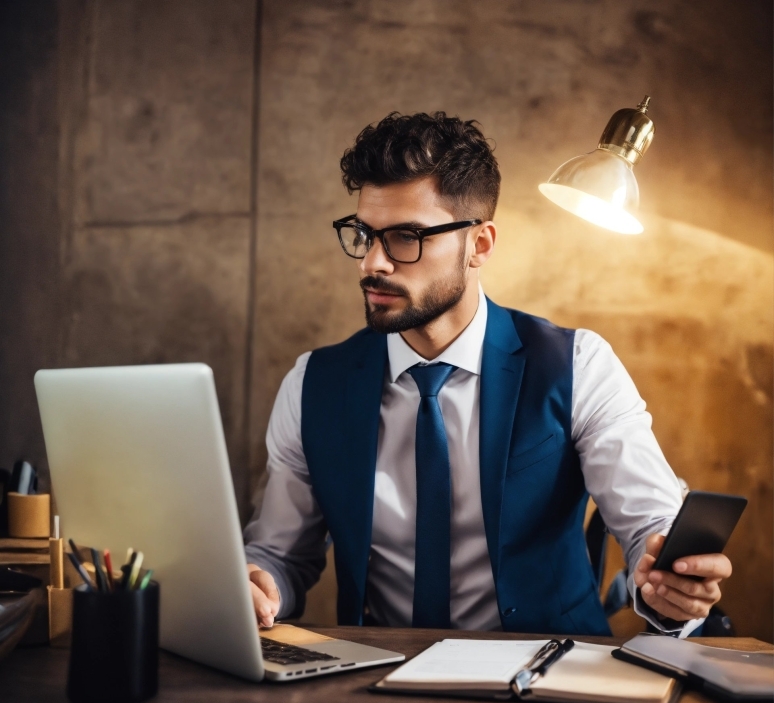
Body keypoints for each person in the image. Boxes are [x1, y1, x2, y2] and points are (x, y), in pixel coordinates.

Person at [243, 111, 731, 636]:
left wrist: (668, 585)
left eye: (406, 237)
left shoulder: (578, 365)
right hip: (378, 688)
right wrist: (257, 581)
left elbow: (651, 527)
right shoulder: (313, 384)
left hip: (548, 679)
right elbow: (279, 553)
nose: (372, 264)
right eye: (365, 234)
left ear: (480, 245)